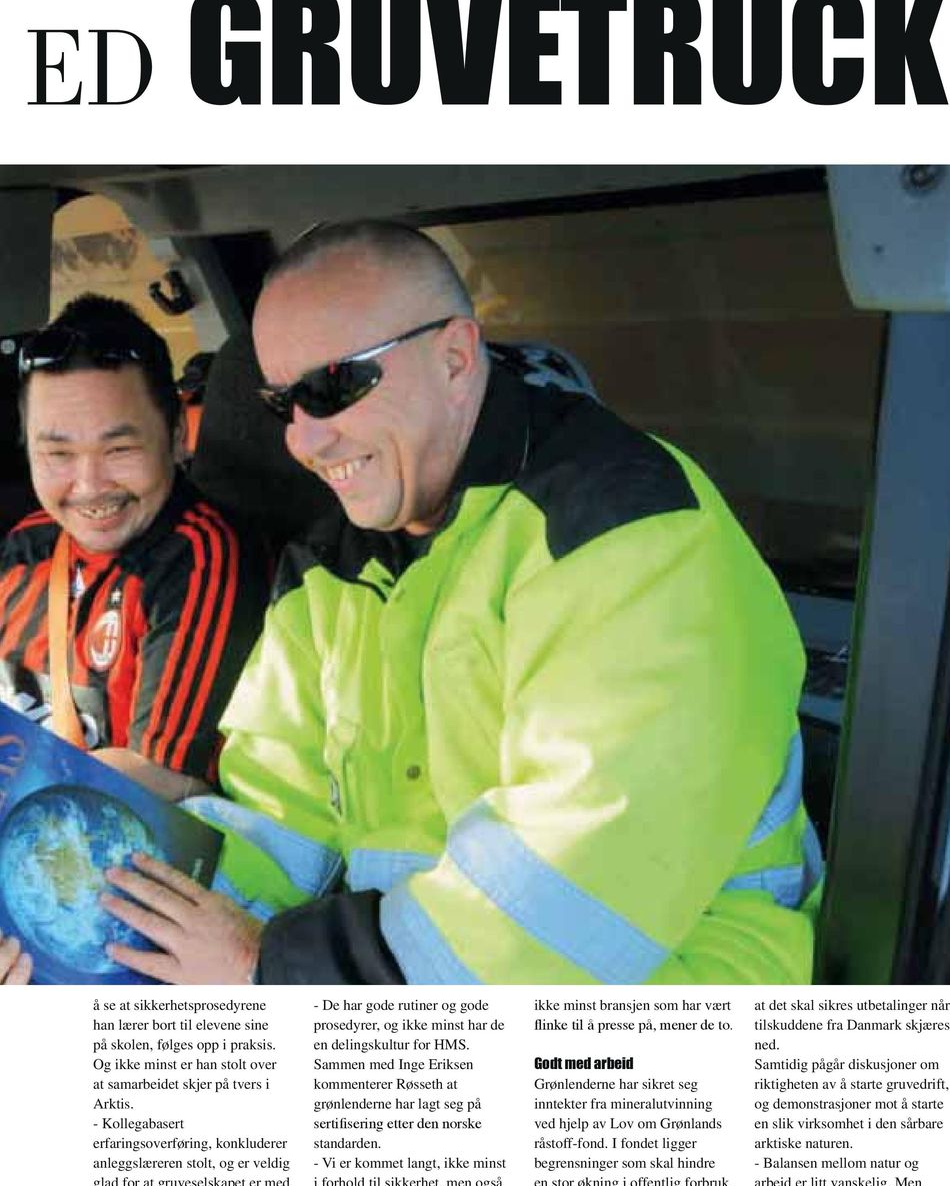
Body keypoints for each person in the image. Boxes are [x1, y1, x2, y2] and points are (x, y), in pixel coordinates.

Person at [103, 220, 822, 986]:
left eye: (333, 387)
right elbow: (282, 824)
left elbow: (565, 895)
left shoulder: (626, 535)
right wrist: (111, 917)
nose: (305, 442)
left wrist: (263, 970)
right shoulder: (327, 572)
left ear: (454, 358)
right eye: (286, 404)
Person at [0, 295, 268, 796]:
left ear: (176, 437)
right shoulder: (27, 546)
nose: (89, 484)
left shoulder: (197, 558)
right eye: (58, 453)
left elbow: (163, 779)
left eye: (119, 449)